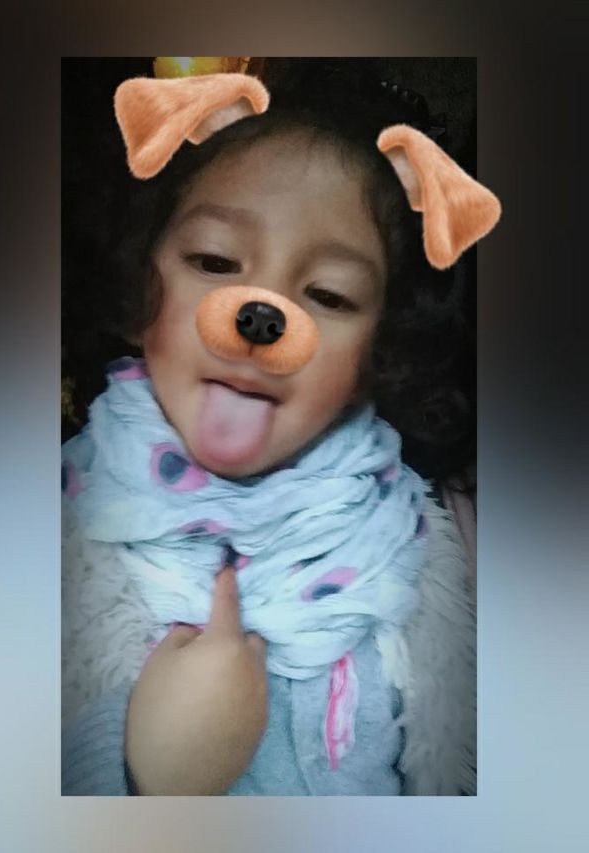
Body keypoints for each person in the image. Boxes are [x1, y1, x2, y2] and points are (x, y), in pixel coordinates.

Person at [61, 62, 496, 796]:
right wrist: (152, 784)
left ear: (377, 357)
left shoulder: (428, 544)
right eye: (214, 260)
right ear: (139, 285)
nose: (262, 313)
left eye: (329, 294)